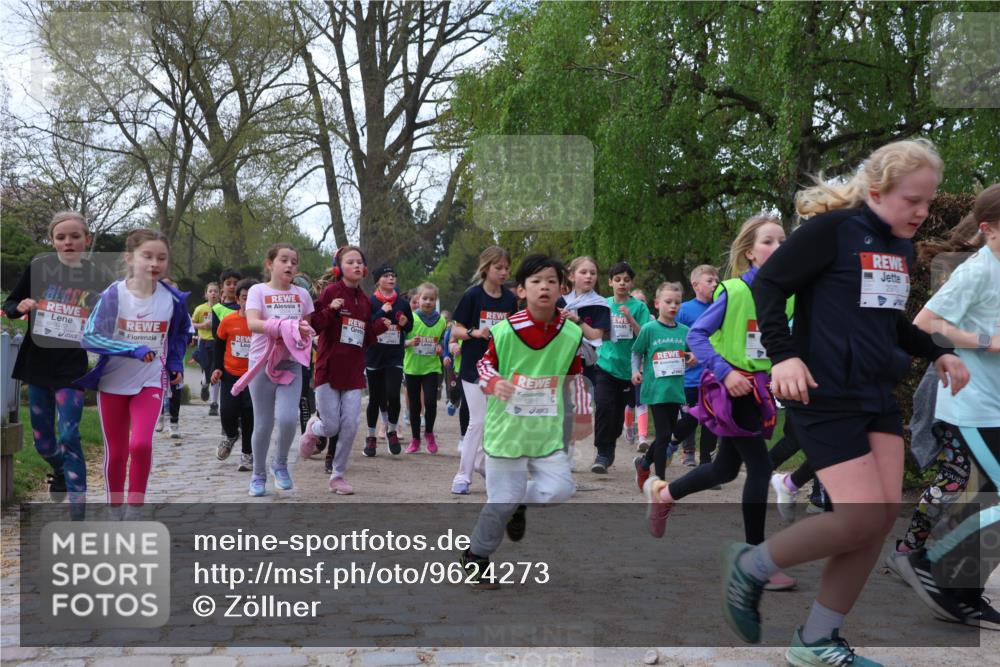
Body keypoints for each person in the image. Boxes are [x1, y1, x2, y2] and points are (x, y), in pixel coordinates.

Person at [732, 139, 968, 666]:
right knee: (858, 518)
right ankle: (752, 565)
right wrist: (784, 357)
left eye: (929, 202)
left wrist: (936, 353)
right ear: (879, 190)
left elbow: (887, 320)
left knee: (878, 520)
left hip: (873, 396)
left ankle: (816, 640)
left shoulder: (900, 248)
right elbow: (769, 287)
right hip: (822, 393)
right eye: (914, 200)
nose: (923, 212)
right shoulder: (832, 231)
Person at [643, 215, 797, 591]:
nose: (777, 248)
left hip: (759, 390)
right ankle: (754, 561)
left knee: (727, 469)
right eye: (768, 242)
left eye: (783, 241)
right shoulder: (733, 291)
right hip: (730, 388)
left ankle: (664, 492)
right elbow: (696, 335)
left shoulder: (790, 295)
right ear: (749, 252)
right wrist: (725, 371)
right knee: (759, 468)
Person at [893, 183, 1000, 628]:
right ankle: (932, 563)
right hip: (973, 405)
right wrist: (985, 342)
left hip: (995, 406)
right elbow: (925, 322)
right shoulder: (978, 270)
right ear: (989, 229)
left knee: (984, 499)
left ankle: (964, 591)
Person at [459, 254, 583, 585]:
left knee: (560, 489)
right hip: (507, 432)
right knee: (499, 503)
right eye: (536, 281)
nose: (544, 287)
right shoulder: (504, 331)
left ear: (562, 288)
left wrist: (581, 415)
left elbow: (574, 376)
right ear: (521, 290)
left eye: (551, 281)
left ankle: (518, 503)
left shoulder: (571, 334)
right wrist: (494, 382)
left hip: (545, 434)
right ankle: (476, 555)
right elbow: (483, 366)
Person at [1, 211, 112, 517]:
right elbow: (9, 304)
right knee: (44, 443)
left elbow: (109, 316)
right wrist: (19, 306)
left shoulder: (97, 277)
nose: (68, 243)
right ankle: (60, 470)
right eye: (61, 237)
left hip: (71, 368)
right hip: (37, 364)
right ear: (52, 241)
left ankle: (79, 513)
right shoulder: (39, 268)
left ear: (86, 239)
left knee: (70, 435)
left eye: (75, 236)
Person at [78, 229, 191, 516]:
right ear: (130, 258)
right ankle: (114, 508)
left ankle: (135, 507)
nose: (155, 263)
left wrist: (175, 364)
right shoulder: (114, 295)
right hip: (113, 382)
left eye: (161, 258)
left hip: (150, 381)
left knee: (140, 444)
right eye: (148, 256)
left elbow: (178, 335)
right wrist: (131, 349)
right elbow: (90, 336)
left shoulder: (174, 300)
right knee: (117, 452)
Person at [298, 246, 394, 494]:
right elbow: (315, 326)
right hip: (329, 368)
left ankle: (338, 475)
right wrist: (331, 310)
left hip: (353, 370)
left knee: (350, 425)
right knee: (331, 427)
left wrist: (379, 327)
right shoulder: (331, 291)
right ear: (339, 268)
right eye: (350, 262)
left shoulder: (364, 301)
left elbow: (364, 336)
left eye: (359, 262)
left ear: (364, 269)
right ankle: (313, 429)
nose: (356, 266)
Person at [239, 244, 315, 497]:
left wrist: (300, 332)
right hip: (261, 362)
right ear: (269, 264)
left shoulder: (302, 295)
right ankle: (258, 474)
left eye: (294, 261)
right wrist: (282, 326)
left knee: (287, 419)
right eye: (284, 260)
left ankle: (280, 463)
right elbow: (252, 323)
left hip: (290, 363)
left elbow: (306, 328)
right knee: (262, 424)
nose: (290, 265)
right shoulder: (257, 291)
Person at [450, 246, 518, 495]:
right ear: (486, 268)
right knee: (477, 421)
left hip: (499, 369)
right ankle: (462, 476)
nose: (503, 272)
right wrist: (475, 333)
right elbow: (455, 331)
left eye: (506, 268)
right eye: (498, 267)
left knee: (496, 422)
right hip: (473, 367)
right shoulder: (472, 296)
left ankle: (483, 464)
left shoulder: (511, 301)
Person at [631, 282, 692, 508]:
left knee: (669, 433)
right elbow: (636, 352)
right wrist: (635, 371)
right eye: (668, 302)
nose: (673, 306)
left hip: (675, 390)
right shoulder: (649, 329)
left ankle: (644, 463)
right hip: (655, 390)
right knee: (665, 434)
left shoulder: (684, 331)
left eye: (677, 303)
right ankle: (661, 483)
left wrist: (692, 357)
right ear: (657, 304)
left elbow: (691, 353)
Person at [591, 261, 650, 473]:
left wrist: (629, 317)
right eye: (617, 280)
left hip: (629, 370)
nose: (622, 283)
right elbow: (595, 332)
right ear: (610, 282)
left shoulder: (639, 307)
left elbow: (644, 336)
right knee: (604, 406)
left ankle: (611, 445)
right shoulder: (603, 305)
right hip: (605, 364)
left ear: (631, 282)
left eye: (626, 280)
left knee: (616, 416)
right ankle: (602, 453)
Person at [363, 264, 412, 456]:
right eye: (386, 276)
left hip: (394, 356)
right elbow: (366, 326)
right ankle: (371, 437)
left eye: (393, 276)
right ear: (378, 281)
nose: (391, 279)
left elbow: (410, 326)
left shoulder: (403, 303)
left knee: (393, 394)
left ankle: (392, 430)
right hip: (374, 355)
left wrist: (405, 323)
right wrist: (382, 312)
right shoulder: (370, 302)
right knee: (375, 399)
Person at [676, 264, 720, 467]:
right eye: (709, 281)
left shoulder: (721, 306)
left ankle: (706, 463)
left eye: (716, 281)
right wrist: (687, 355)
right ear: (695, 285)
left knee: (712, 420)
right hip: (690, 378)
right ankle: (677, 445)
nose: (715, 284)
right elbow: (673, 339)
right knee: (691, 418)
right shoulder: (684, 310)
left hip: (715, 376)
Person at [211, 278, 257, 470]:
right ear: (238, 299)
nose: (248, 302)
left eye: (252, 298)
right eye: (245, 297)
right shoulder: (229, 320)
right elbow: (219, 345)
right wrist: (217, 367)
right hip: (231, 375)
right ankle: (230, 435)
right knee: (227, 412)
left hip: (253, 377)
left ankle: (247, 454)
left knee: (249, 416)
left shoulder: (262, 323)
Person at [403, 282, 446, 453]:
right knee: (414, 405)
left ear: (436, 301)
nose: (428, 302)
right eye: (425, 298)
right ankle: (415, 439)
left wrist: (441, 347)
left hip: (431, 367)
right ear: (418, 299)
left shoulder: (441, 320)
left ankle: (429, 432)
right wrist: (409, 342)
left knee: (430, 401)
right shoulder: (411, 319)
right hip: (412, 367)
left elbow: (443, 339)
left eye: (432, 299)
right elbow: (401, 341)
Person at [191, 282, 220, 415]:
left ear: (219, 294)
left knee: (215, 372)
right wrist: (203, 325)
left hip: (217, 342)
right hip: (203, 341)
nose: (213, 293)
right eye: (210, 291)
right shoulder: (200, 309)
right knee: (206, 369)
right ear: (206, 294)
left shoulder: (222, 308)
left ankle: (214, 404)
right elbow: (192, 324)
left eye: (216, 291)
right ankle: (204, 385)